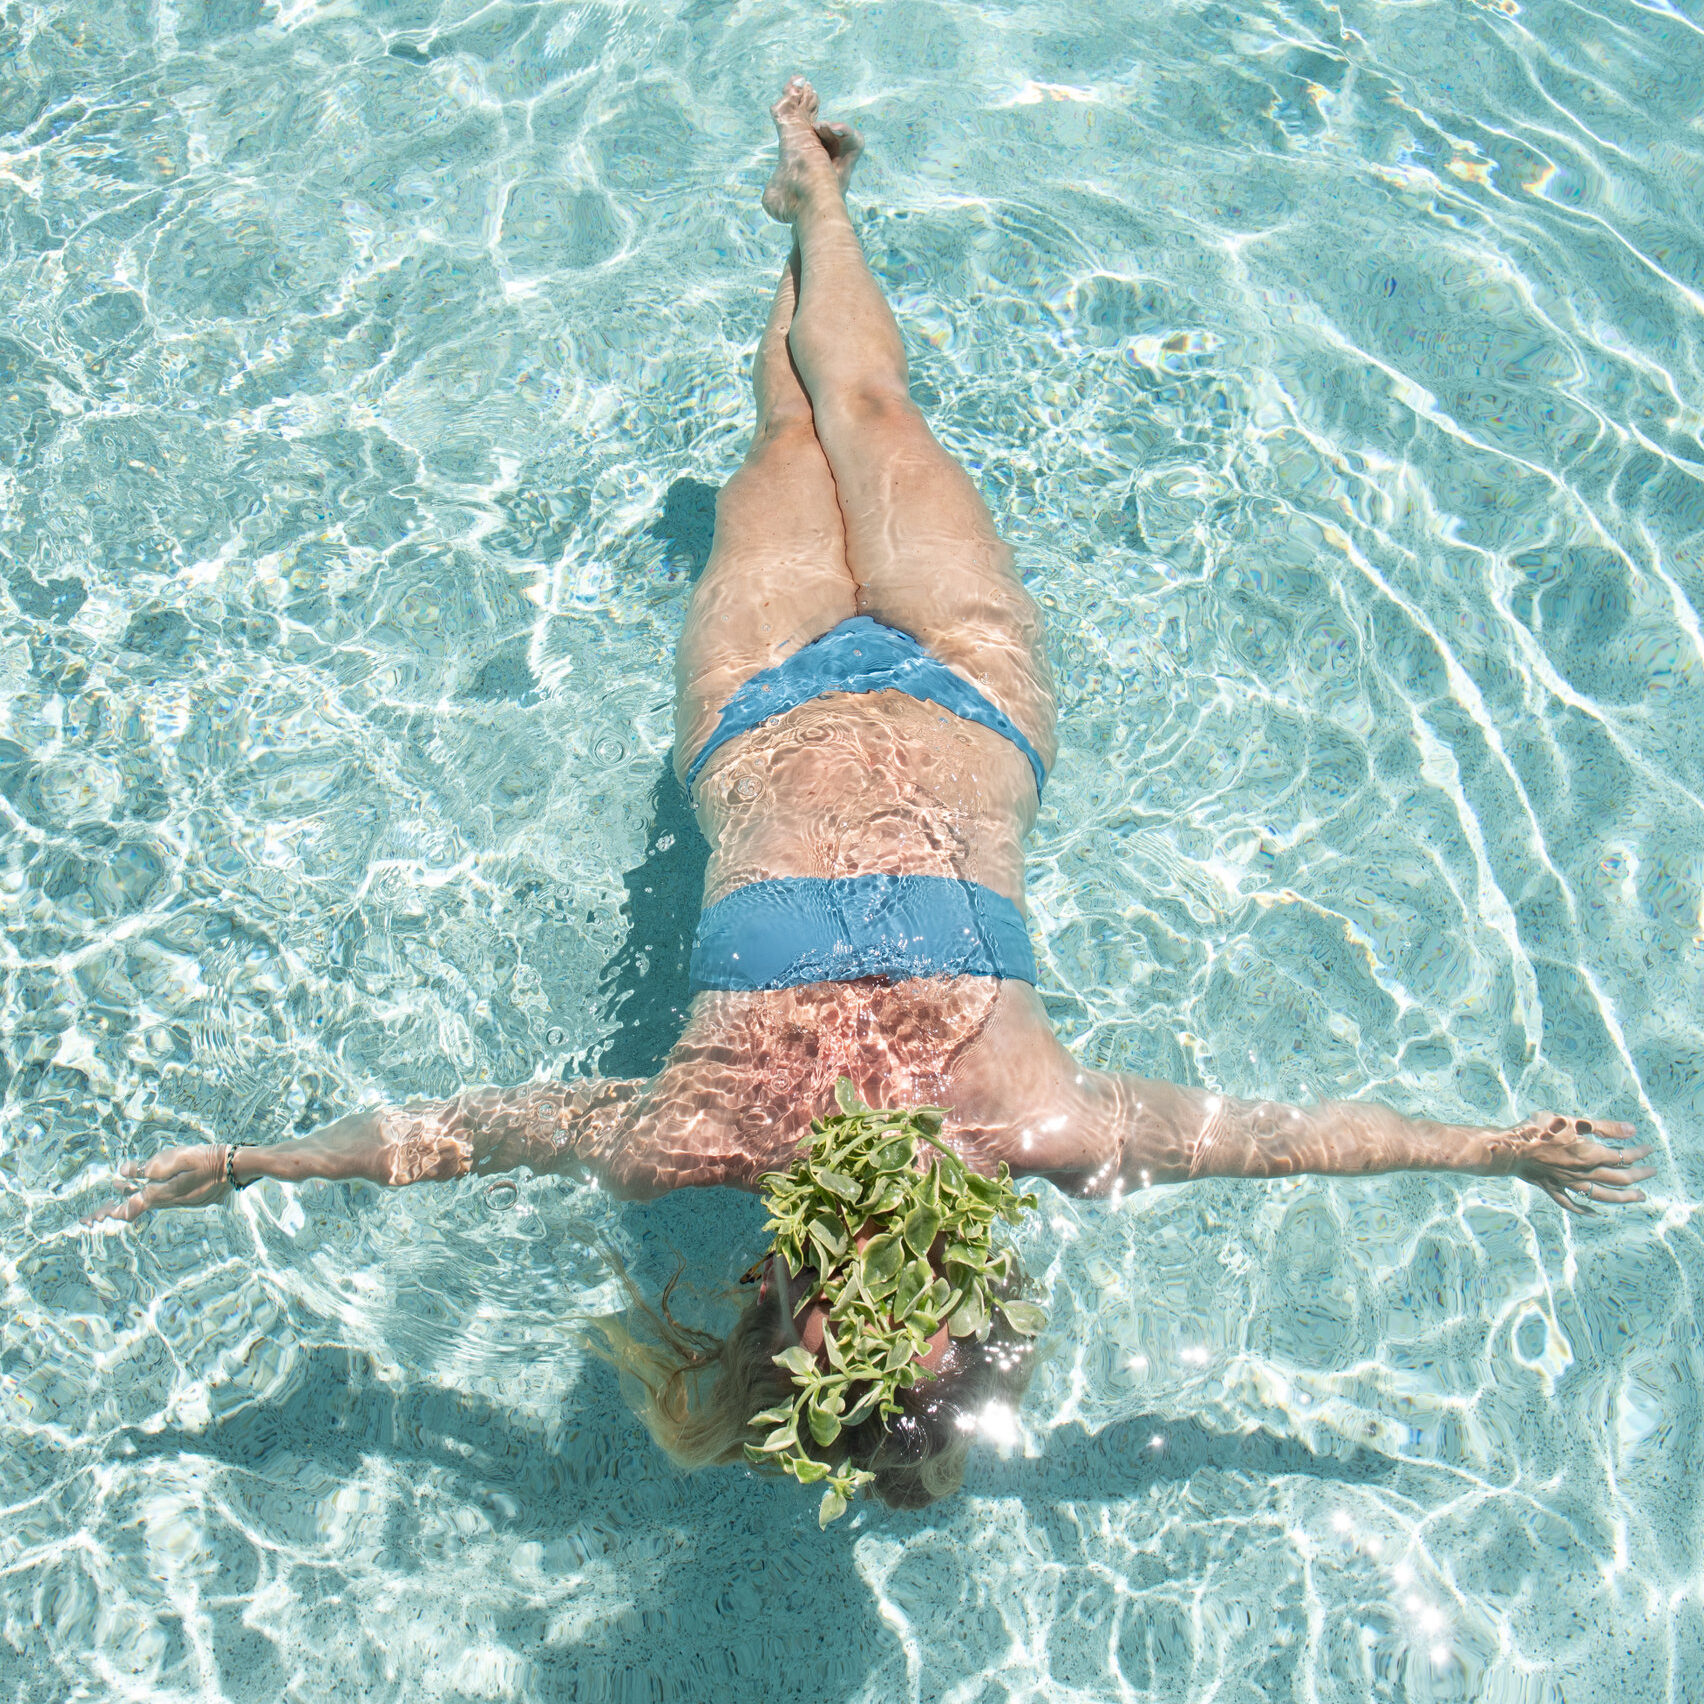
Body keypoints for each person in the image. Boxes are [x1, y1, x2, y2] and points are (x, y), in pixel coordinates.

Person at [95, 80, 1653, 1512]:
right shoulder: (1031, 1125)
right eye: (925, 1326)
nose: (880, 1302)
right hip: (964, 683)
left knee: (786, 432)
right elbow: (1283, 1139)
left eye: (848, 1327)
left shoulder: (699, 1136)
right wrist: (1493, 1149)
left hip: (758, 702)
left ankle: (803, 221)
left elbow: (479, 1131)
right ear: (967, 1302)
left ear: (787, 1309)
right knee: (879, 422)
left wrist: (258, 1166)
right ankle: (822, 209)